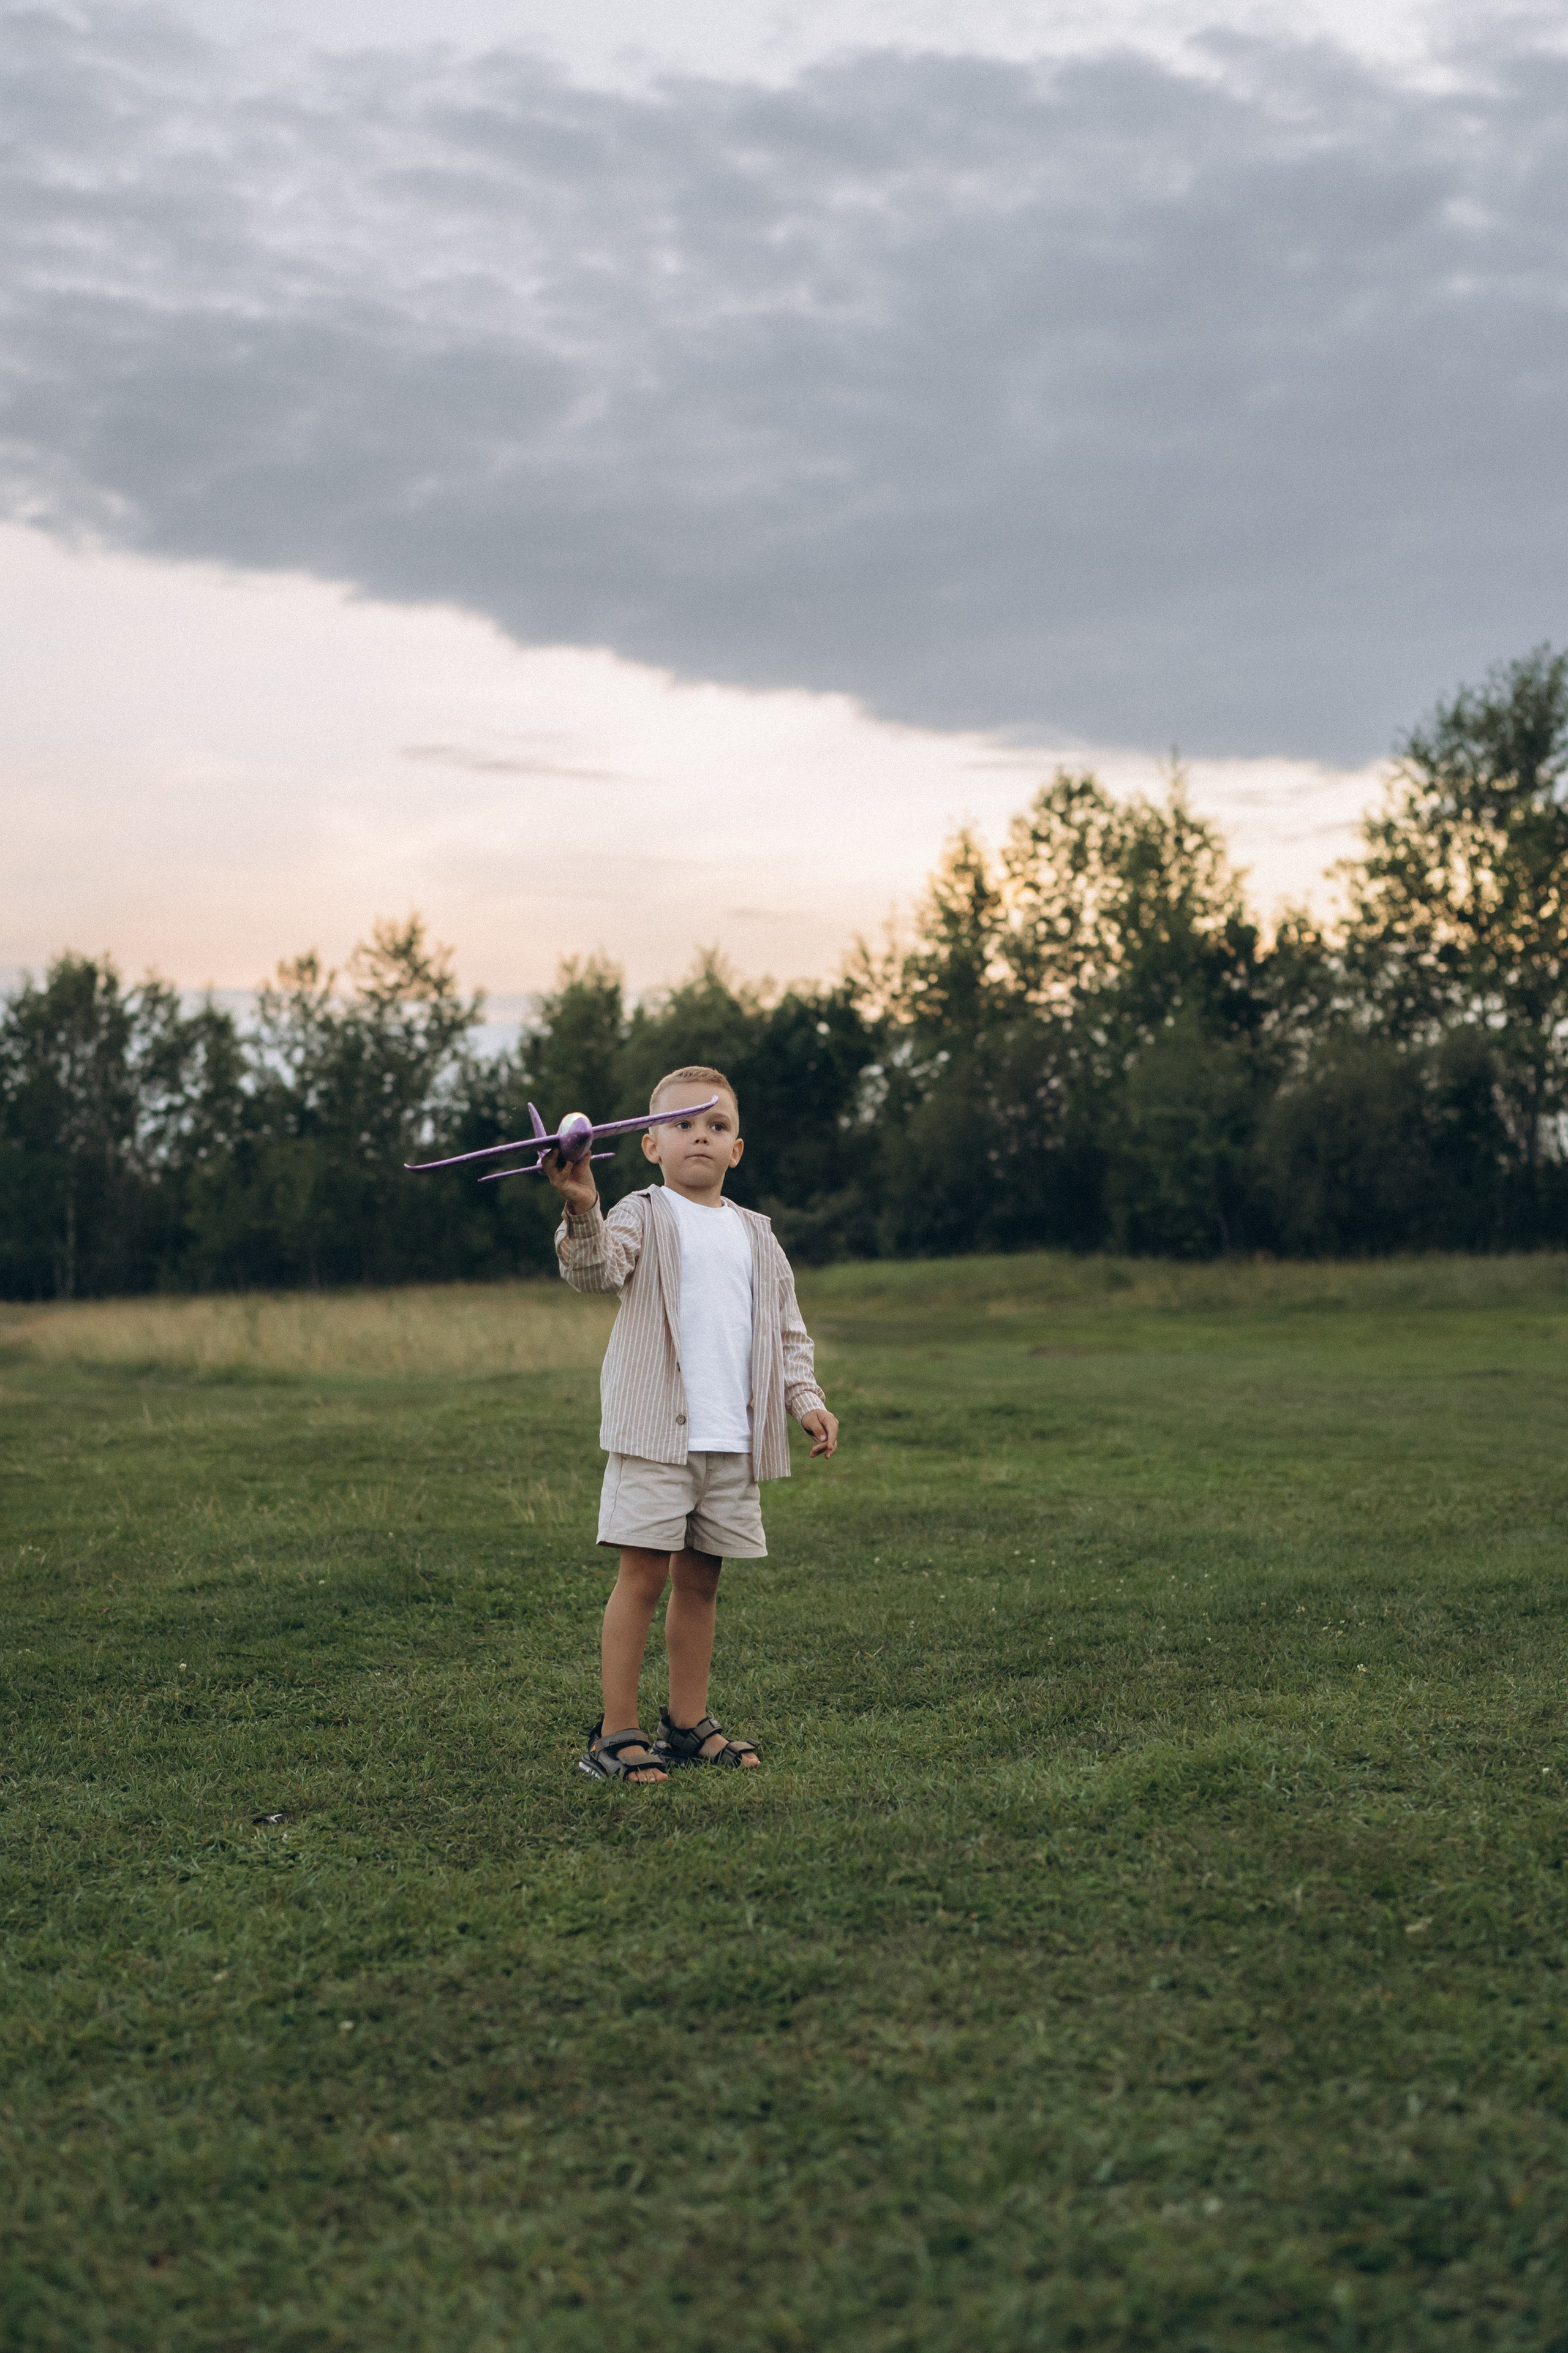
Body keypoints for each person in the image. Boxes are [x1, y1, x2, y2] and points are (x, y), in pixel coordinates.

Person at [548, 1063, 839, 1783]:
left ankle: (685, 1720)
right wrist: (582, 1205)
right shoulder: (641, 1213)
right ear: (650, 1144)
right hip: (657, 1433)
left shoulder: (757, 1235)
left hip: (731, 1440)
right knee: (642, 1575)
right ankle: (615, 1734)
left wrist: (805, 1399)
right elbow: (595, 1272)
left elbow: (786, 1332)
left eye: (716, 1126)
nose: (699, 1138)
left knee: (701, 1581)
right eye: (681, 1125)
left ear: (737, 1149)